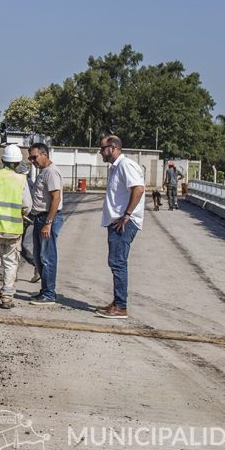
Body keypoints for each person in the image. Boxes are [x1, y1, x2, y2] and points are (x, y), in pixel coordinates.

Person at [96, 136, 145, 319]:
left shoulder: (125, 165)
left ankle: (121, 307)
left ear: (113, 147)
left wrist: (127, 215)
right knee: (115, 261)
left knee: (118, 262)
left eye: (102, 148)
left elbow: (138, 189)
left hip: (123, 222)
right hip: (117, 221)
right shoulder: (116, 168)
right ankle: (117, 302)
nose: (100, 152)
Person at [0, 144, 32, 309]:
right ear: (18, 163)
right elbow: (27, 206)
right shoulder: (21, 180)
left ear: (2, 160)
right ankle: (7, 298)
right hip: (14, 230)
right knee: (10, 263)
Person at [27, 143, 63, 306]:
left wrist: (48, 222)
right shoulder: (43, 172)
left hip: (48, 219)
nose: (32, 161)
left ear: (44, 154)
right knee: (39, 257)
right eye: (30, 158)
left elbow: (56, 198)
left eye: (34, 157)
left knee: (47, 257)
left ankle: (49, 294)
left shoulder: (51, 172)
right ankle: (45, 291)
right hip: (40, 218)